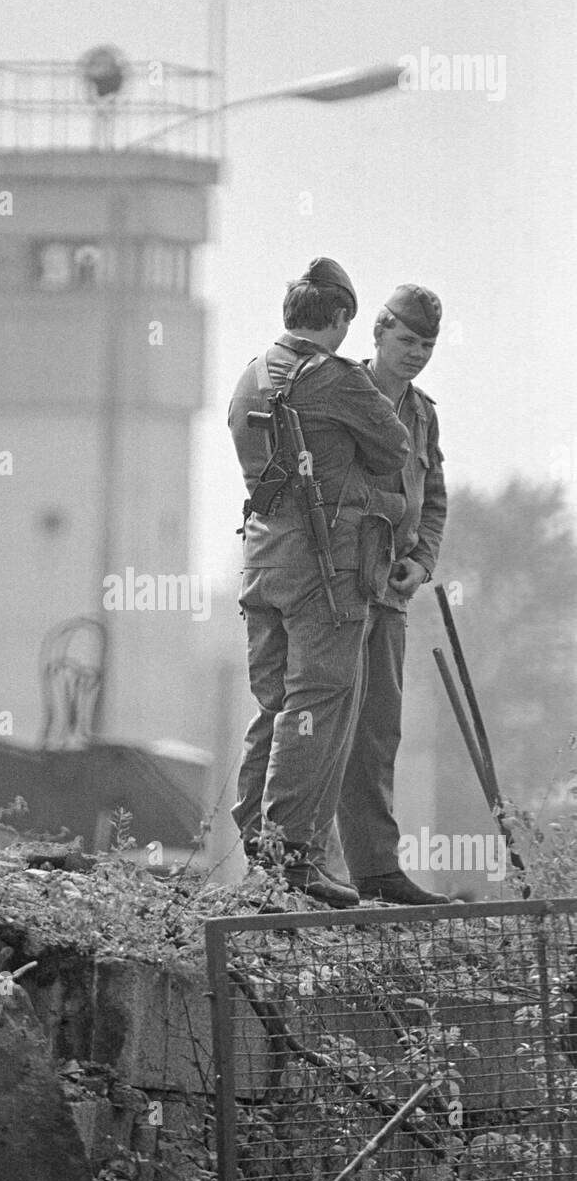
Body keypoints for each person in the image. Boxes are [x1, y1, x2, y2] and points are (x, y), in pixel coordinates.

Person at [228, 257, 410, 907]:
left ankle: (258, 844)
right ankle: (294, 856)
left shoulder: (251, 374)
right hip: (324, 570)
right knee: (318, 706)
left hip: (262, 563)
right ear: (338, 318)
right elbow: (392, 449)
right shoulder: (335, 378)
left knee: (273, 706)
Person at [319, 284, 449, 905]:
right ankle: (295, 868)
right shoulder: (342, 394)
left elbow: (435, 501)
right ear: (377, 334)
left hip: (389, 595)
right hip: (338, 587)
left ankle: (376, 870)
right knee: (317, 725)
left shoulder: (422, 412)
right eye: (406, 341)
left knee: (377, 732)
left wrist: (421, 563)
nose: (416, 354)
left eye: (426, 345)